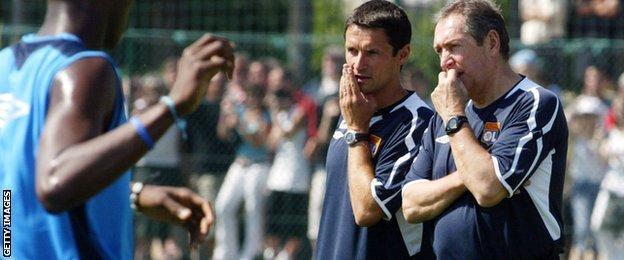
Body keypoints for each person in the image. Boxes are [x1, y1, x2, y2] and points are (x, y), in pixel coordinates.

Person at [0, 0, 234, 258]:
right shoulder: (85, 69)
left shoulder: (6, 63)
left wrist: (131, 193)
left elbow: (15, 186)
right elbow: (54, 182)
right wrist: (172, 106)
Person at [401, 0, 569, 259]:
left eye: (454, 47)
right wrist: (465, 176)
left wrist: (455, 118)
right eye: (439, 51)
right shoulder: (444, 112)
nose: (445, 61)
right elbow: (411, 204)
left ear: (492, 43)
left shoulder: (534, 102)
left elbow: (487, 189)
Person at [315, 1, 434, 259]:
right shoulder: (353, 107)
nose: (358, 64)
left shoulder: (417, 123)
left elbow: (366, 210)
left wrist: (358, 131)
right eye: (352, 50)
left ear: (402, 54)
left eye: (372, 53)